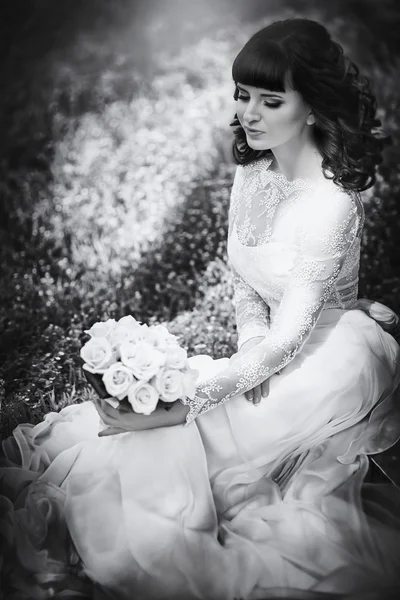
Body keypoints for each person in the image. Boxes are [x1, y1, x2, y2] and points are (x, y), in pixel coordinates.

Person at [1, 17, 400, 600]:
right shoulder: (253, 169)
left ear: (312, 107)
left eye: (271, 100)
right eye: (243, 96)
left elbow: (291, 339)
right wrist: (245, 351)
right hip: (266, 346)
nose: (250, 114)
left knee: (207, 431)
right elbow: (244, 284)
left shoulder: (329, 206)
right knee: (203, 411)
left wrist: (183, 406)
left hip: (332, 357)